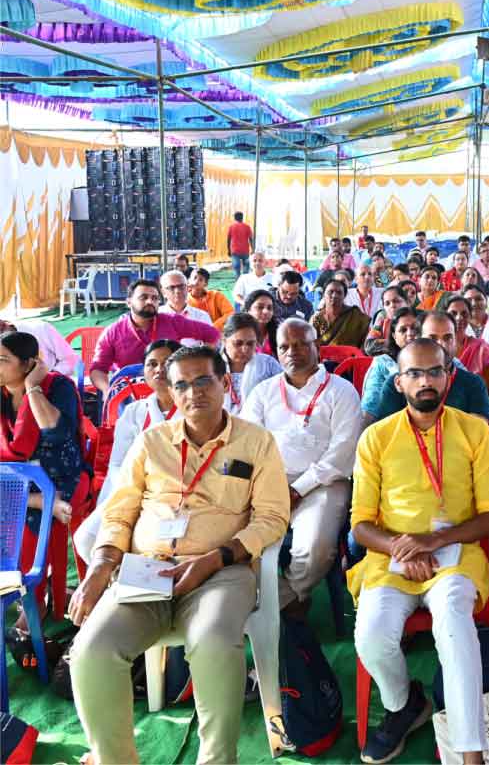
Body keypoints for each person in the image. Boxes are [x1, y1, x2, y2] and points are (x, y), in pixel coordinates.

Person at [67, 345, 289, 765]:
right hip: (146, 570)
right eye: (181, 385)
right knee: (90, 651)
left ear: (225, 383)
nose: (193, 393)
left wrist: (211, 561)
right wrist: (101, 566)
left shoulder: (256, 443)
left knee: (214, 642)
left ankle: (217, 760)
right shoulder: (151, 442)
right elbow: (120, 511)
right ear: (170, 391)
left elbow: (272, 518)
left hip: (221, 571)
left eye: (203, 380)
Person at [349, 338, 489, 764]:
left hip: (455, 553)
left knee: (454, 627)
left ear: (449, 377)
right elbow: (360, 526)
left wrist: (434, 541)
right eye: (414, 373)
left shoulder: (475, 431)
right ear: (398, 383)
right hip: (390, 557)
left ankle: (470, 753)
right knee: (371, 635)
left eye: (435, 371)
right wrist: (403, 547)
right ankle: (403, 705)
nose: (426, 381)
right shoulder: (376, 438)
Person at [242, 319, 361, 615]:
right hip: (269, 483)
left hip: (324, 484)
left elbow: (342, 454)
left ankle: (292, 597)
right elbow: (247, 444)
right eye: (284, 346)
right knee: (228, 536)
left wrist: (298, 488)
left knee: (315, 548)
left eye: (300, 344)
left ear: (316, 347)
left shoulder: (341, 391)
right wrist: (269, 485)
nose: (292, 351)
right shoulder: (263, 392)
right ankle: (285, 601)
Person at [74, 339, 182, 565]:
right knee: (85, 538)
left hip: (177, 494)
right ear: (144, 371)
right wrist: (133, 489)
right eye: (151, 364)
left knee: (156, 545)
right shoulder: (133, 412)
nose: (159, 369)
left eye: (167, 362)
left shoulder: (191, 409)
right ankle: (118, 584)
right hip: (133, 490)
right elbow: (116, 464)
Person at [3, 331, 85, 621]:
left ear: (29, 364)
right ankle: (36, 500)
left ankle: (32, 600)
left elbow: (56, 431)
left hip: (59, 474)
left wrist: (32, 387)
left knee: (27, 516)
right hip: (10, 476)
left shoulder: (57, 386)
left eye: (3, 360)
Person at [361, 311, 489, 426]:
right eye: (432, 338)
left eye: (448, 338)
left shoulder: (473, 383)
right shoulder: (397, 384)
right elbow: (386, 432)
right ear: (418, 340)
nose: (442, 344)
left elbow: (479, 431)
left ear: (456, 341)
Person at [90, 279, 219, 394]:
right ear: (129, 302)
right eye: (143, 297)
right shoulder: (113, 332)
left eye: (155, 298)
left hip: (170, 387)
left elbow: (212, 334)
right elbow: (98, 369)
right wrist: (107, 390)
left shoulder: (172, 321)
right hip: (130, 391)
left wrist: (199, 365)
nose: (150, 301)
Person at [220, 313, 282, 417]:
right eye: (238, 343)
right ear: (224, 341)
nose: (245, 349)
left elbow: (283, 395)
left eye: (250, 344)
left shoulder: (268, 365)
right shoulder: (211, 366)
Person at [0, 316, 79, 377]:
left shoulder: (40, 329)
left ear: (3, 325)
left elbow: (70, 359)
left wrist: (48, 377)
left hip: (51, 388)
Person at [447, 296, 489, 392]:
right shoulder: (436, 348)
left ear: (470, 317)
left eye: (464, 314)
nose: (459, 318)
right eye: (453, 313)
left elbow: (487, 389)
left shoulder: (483, 350)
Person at [312, 278, 370, 349]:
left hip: (350, 357)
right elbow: (311, 345)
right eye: (331, 292)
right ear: (324, 294)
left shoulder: (356, 315)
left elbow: (366, 341)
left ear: (344, 296)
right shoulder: (317, 318)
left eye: (339, 293)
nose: (334, 296)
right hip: (322, 358)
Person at [158, 271, 213, 335]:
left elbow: (212, 342)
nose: (177, 291)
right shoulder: (155, 316)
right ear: (163, 292)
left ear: (187, 288)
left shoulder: (201, 317)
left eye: (181, 286)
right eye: (171, 288)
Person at [244, 288, 279, 355]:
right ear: (248, 310)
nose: (266, 311)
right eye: (260, 307)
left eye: (269, 308)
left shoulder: (278, 332)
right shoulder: (239, 333)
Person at [227, 212, 254, 278]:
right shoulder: (247, 226)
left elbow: (228, 239)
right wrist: (253, 248)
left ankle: (238, 279)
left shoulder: (231, 227)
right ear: (242, 217)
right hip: (245, 250)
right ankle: (245, 279)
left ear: (235, 218)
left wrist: (228, 250)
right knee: (246, 266)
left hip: (235, 250)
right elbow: (250, 239)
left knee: (236, 267)